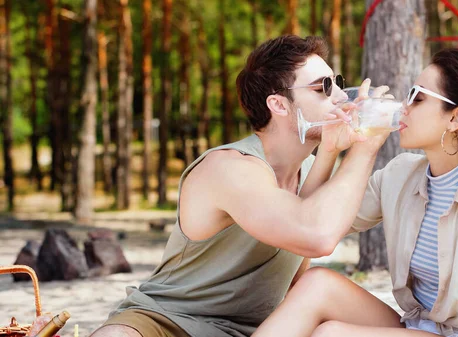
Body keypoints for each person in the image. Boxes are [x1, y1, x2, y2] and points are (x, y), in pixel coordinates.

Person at [252, 48, 458, 337]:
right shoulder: (400, 175)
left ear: (456, 117)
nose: (403, 107)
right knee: (317, 284)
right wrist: (331, 149)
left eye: (417, 98)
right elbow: (307, 224)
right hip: (418, 327)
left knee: (333, 334)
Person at [91, 35, 392, 337]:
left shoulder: (312, 170)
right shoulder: (229, 168)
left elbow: (300, 247)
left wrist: (329, 153)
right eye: (324, 87)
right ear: (278, 104)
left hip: (255, 330)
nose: (341, 96)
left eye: (337, 82)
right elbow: (316, 237)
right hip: (169, 321)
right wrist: (366, 145)